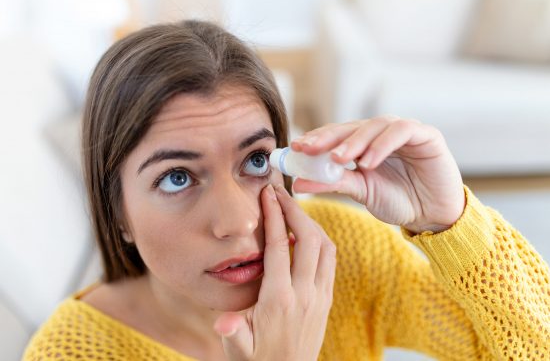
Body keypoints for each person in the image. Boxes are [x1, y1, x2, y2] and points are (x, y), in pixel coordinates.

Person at [23, 20, 549, 361]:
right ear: (117, 213)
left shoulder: (342, 253)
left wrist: (450, 222)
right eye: (177, 177)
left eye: (255, 160)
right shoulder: (71, 352)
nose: (240, 222)